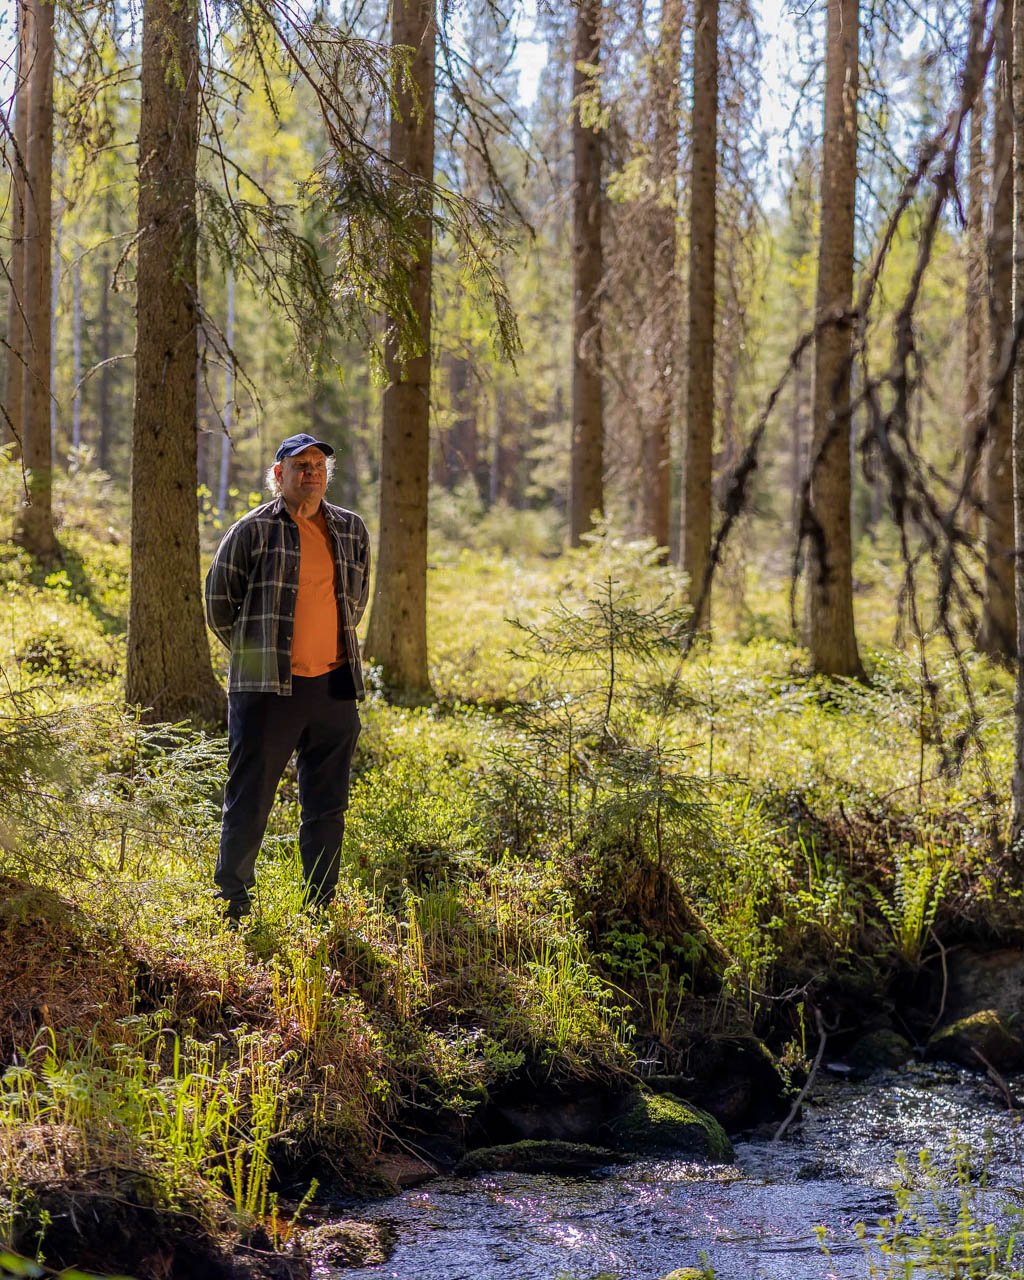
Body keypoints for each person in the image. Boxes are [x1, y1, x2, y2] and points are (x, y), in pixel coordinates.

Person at [204, 433, 370, 921]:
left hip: (335, 686)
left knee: (327, 802)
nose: (311, 472)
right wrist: (260, 655)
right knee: (250, 798)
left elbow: (354, 602)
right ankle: (232, 901)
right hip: (268, 689)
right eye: (299, 465)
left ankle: (320, 902)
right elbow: (218, 605)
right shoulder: (252, 530)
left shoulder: (351, 528)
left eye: (318, 464)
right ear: (278, 475)